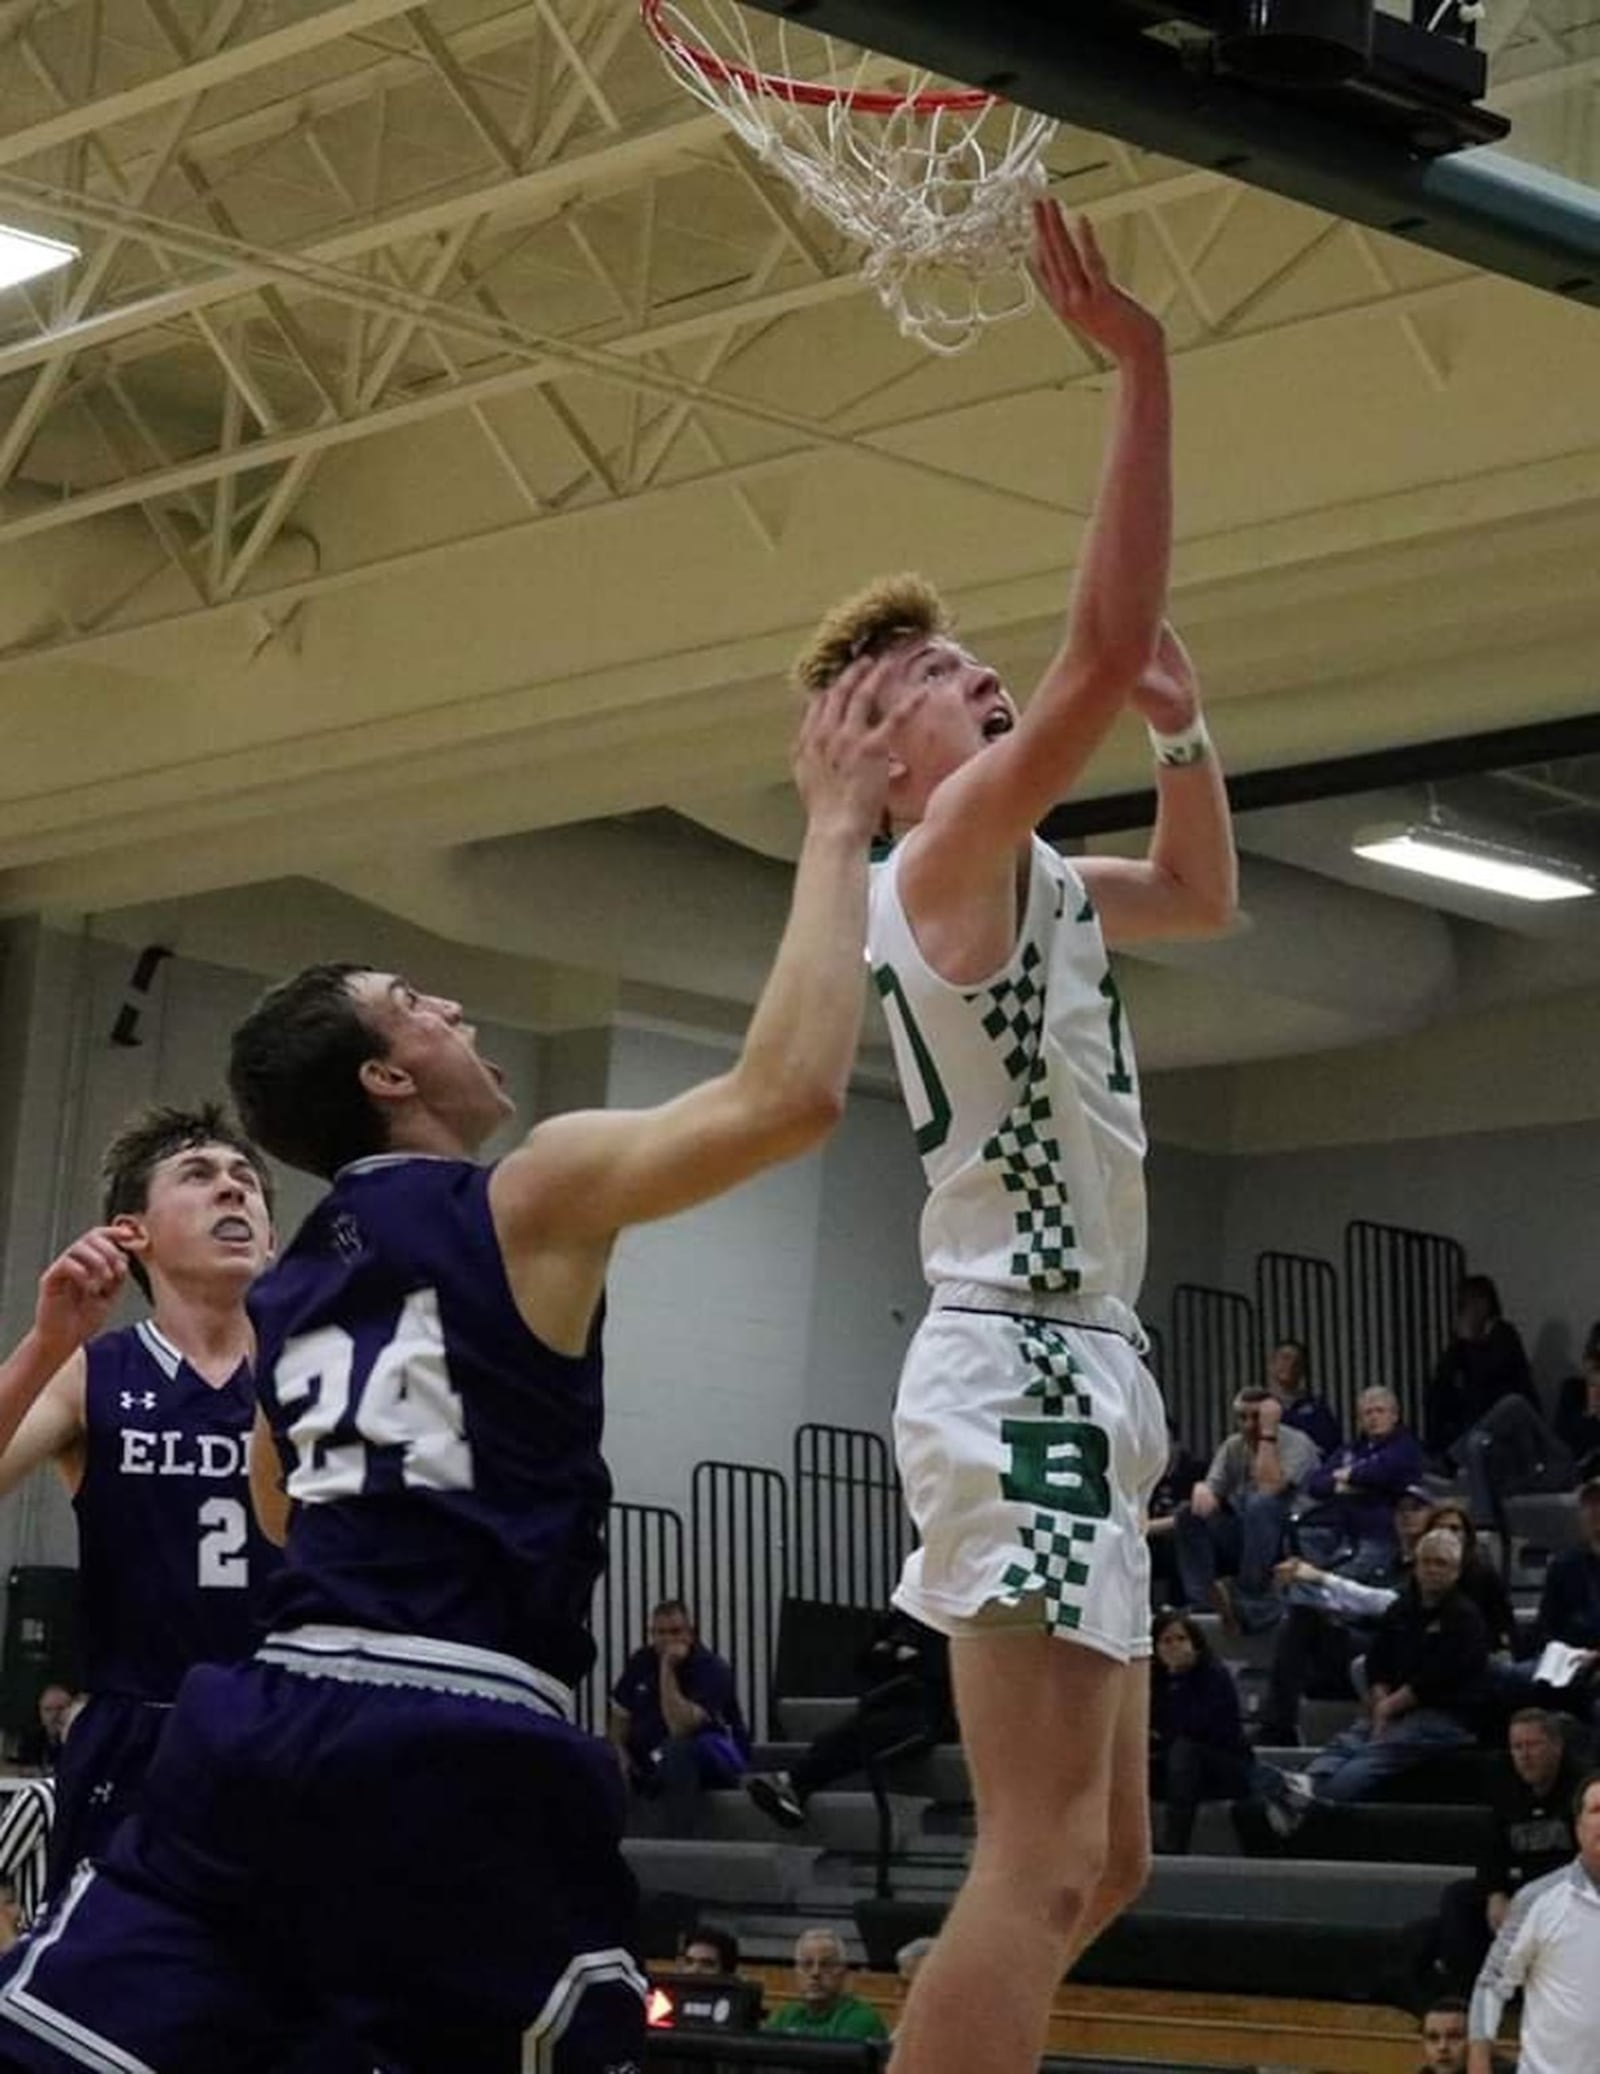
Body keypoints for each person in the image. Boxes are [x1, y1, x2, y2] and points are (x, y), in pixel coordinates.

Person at [0, 671, 901, 2074]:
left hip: (261, 1716)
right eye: (419, 1001)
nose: (458, 1006)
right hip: (459, 1727)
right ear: (384, 1074)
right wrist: (840, 822)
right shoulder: (524, 1195)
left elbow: (286, 1507)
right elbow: (785, 1093)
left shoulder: (289, 1290)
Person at [793, 204, 1234, 2074]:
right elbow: (1100, 629)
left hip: (1086, 1363)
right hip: (1022, 1358)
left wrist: (1186, 730)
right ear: (883, 758)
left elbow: (1202, 900)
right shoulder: (946, 860)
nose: (982, 677)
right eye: (938, 680)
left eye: (983, 665)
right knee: (1041, 1856)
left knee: (1105, 1856)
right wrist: (1139, 368)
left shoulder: (1034, 873)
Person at [0, 1105, 279, 1905]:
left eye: (247, 1182)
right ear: (134, 1233)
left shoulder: (311, 1371)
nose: (233, 1190)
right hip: (140, 1730)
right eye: (200, 1176)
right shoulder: (94, 1372)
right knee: (105, 2001)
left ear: (271, 1241)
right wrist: (48, 1340)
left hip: (291, 1722)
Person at [1262, 1529, 1490, 1834]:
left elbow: (1440, 1678)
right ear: (1416, 1565)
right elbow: (1378, 1661)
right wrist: (1380, 1699)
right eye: (1427, 1562)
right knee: (1348, 1740)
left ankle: (1315, 1805)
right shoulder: (1401, 1608)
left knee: (1374, 1753)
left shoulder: (1465, 1617)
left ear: (1456, 1571)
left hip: (1444, 1716)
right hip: (1394, 1705)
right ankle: (1306, 1783)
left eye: (1441, 1563)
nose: (1432, 1570)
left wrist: (1388, 1709)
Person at [1256, 1484, 1435, 1745]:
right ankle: (1278, 1723)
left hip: (1398, 1651)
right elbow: (1343, 1598)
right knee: (1301, 1614)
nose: (1406, 1515)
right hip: (1359, 1643)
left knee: (1307, 1619)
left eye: (1416, 1508)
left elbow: (1387, 1604)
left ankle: (1278, 1725)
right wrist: (1301, 1581)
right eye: (1400, 1509)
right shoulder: (1384, 1559)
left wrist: (1319, 1578)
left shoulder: (1432, 1566)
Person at [746, 1609, 953, 1829]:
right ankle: (794, 1786)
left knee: (862, 1733)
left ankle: (793, 1783)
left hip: (929, 1714)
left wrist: (906, 1657)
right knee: (837, 1735)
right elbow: (864, 1662)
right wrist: (893, 1654)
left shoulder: (949, 1622)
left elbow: (939, 1672)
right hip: (888, 1703)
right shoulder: (899, 1618)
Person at [1435, 1709, 1586, 1993]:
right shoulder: (1506, 1788)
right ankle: (1468, 1997)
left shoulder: (1584, 1788)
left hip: (1575, 1892)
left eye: (1533, 1745)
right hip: (1529, 1892)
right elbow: (1490, 1850)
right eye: (1517, 1747)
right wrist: (1495, 1892)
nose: (1525, 1755)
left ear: (1557, 1746)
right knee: (1459, 1898)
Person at [1468, 1771, 1600, 2074]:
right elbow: (1492, 1984)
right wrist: (1478, 2060)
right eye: (1596, 1811)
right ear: (1578, 1827)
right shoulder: (1538, 1899)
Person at [1175, 1388, 1318, 1631]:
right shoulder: (1233, 1446)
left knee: (1259, 1504)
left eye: (1257, 1417)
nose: (1249, 1425)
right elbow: (1212, 1491)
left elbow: (1269, 1487)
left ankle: (1248, 1596)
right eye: (1243, 1417)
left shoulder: (1298, 1442)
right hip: (1246, 1536)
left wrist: (1268, 1434)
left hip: (1290, 1537)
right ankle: (1203, 1601)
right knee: (1188, 1514)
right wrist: (1204, 1490)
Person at [608, 1601, 749, 1806]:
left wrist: (667, 1667)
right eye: (660, 1633)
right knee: (598, 1752)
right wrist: (618, 1751)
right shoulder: (641, 1661)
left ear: (690, 1634)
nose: (668, 1640)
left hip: (713, 1757)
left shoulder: (712, 1668)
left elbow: (680, 1727)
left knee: (677, 1750)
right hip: (652, 1757)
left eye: (675, 1632)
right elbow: (620, 1717)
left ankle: (678, 1833)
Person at [1148, 1611, 1257, 1854]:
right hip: (1177, 1769)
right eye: (1166, 1641)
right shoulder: (1154, 1681)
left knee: (1184, 1750)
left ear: (1195, 1643)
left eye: (1181, 1639)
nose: (1175, 1646)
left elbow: (1203, 1728)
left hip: (1224, 1767)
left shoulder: (1215, 1675)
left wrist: (1179, 1680)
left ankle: (1174, 1845)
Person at [1295, 1387, 1424, 1579]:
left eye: (1380, 1411)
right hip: (1342, 1532)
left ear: (1395, 1416)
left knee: (1336, 1582)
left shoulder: (1405, 1448)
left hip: (1381, 1537)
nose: (1373, 1418)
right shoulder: (1351, 1449)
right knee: (1299, 1541)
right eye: (1367, 1413)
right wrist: (1351, 1481)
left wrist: (1348, 1476)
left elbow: (1376, 1473)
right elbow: (1316, 1484)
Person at [1425, 1276, 1534, 1465]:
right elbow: (1444, 1372)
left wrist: (1471, 1343)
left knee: (1482, 1400)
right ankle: (1435, 1453)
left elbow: (1490, 1375)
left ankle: (1450, 1460)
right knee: (1437, 1393)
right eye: (1468, 1302)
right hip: (1473, 1404)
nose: (1473, 1307)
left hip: (1503, 1405)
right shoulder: (1464, 1336)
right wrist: (1460, 1342)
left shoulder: (1504, 1332)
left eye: (1478, 1300)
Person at [764, 1929, 888, 2042]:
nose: (815, 1973)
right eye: (807, 1964)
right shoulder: (785, 2016)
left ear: (843, 1972)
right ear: (796, 1972)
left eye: (826, 1965)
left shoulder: (861, 2019)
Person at [1145, 1419, 1207, 1608]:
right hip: (1149, 1541)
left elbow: (1198, 1516)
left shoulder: (1197, 1472)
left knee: (1184, 1542)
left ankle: (1186, 1606)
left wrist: (1175, 1522)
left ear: (1176, 1444)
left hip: (1189, 1543)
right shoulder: (1141, 1475)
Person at [1266, 1340, 1340, 1459]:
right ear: (1271, 1365)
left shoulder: (1317, 1407)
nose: (1290, 1364)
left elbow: (1332, 1447)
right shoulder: (1258, 1405)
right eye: (1285, 1358)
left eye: (1297, 1361)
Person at [1554, 1329, 1600, 1483]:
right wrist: (1589, 1414)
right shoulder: (1572, 1390)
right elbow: (1558, 1444)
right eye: (1594, 1358)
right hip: (1567, 1477)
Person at [13, 1689, 74, 1776]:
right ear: (40, 1712)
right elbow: (20, 1767)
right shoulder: (31, 1737)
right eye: (48, 1710)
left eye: (60, 1709)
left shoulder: (84, 1738)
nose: (54, 1715)